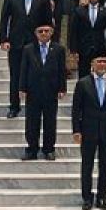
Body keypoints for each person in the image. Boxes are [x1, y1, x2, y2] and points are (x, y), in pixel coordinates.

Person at [0, 0, 54, 118]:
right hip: (16, 42)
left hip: (36, 44)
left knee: (34, 76)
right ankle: (14, 106)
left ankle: (32, 107)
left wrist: (48, 41)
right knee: (15, 75)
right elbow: (4, 19)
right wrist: (4, 39)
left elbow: (48, 21)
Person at [72, 55, 106, 210]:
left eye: (105, 61)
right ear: (92, 64)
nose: (102, 64)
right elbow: (76, 110)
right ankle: (87, 198)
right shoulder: (83, 83)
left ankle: (102, 196)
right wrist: (76, 130)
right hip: (88, 130)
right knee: (87, 165)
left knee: (105, 165)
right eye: (99, 61)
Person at [19, 23, 67, 160]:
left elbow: (61, 70)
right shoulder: (29, 49)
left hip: (51, 91)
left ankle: (49, 149)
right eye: (41, 31)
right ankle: (31, 149)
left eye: (47, 31)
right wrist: (22, 88)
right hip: (33, 91)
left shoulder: (58, 49)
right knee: (32, 122)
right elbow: (24, 70)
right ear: (36, 33)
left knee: (50, 121)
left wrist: (62, 88)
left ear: (51, 32)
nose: (44, 33)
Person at [68, 0, 106, 80]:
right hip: (83, 48)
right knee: (83, 76)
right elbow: (73, 31)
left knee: (100, 75)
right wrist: (73, 49)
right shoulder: (79, 11)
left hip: (100, 48)